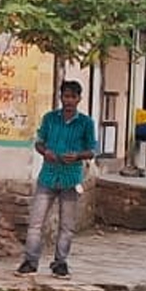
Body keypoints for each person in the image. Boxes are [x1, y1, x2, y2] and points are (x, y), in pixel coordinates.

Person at [17, 79, 98, 278]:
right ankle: (30, 261)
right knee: (36, 222)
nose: (68, 100)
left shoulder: (86, 123)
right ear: (60, 97)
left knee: (67, 225)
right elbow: (39, 143)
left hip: (71, 178)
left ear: (79, 99)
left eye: (73, 97)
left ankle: (60, 263)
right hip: (48, 176)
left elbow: (93, 150)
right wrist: (46, 152)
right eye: (65, 96)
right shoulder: (50, 119)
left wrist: (78, 156)